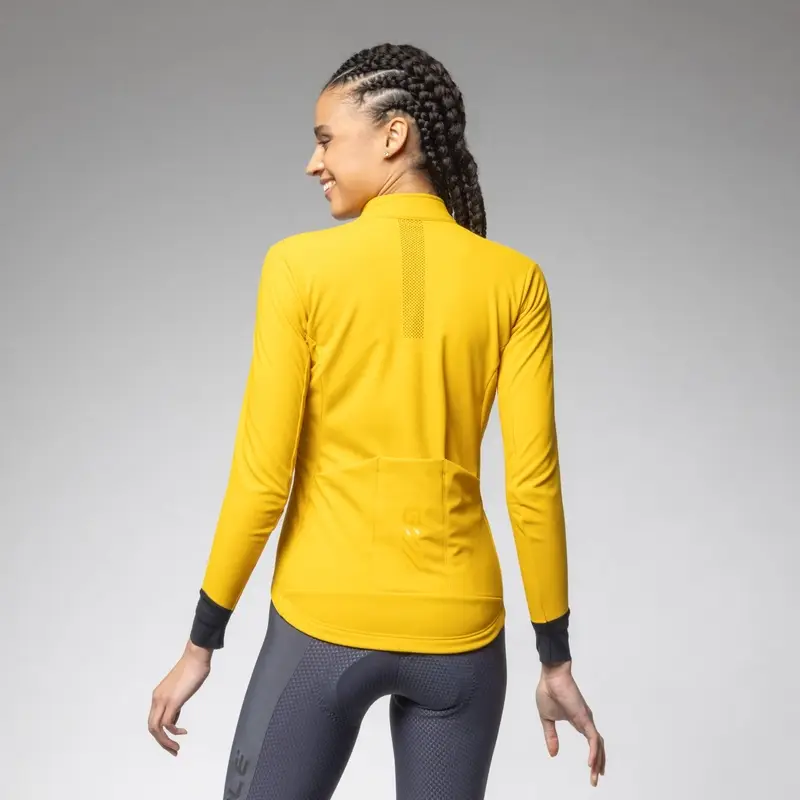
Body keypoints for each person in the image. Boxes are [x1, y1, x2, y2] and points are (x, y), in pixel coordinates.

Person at [148, 42, 606, 799]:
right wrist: (553, 657)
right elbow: (533, 485)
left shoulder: (298, 268)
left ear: (394, 135)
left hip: (322, 623)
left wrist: (202, 642)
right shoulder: (515, 280)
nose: (313, 163)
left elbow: (263, 479)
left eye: (326, 139)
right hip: (461, 633)